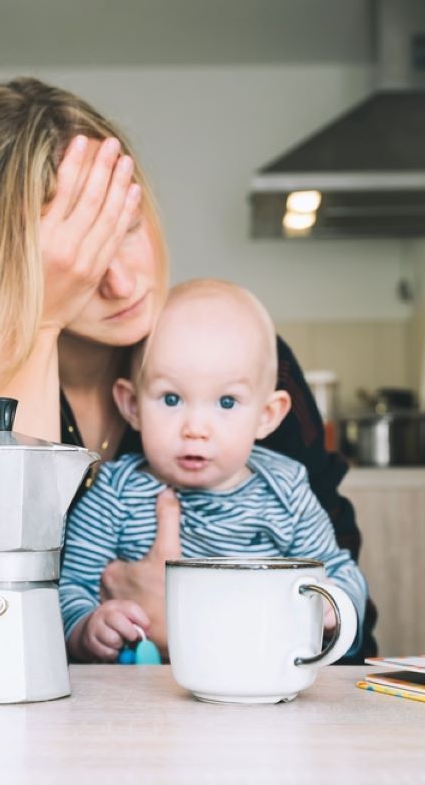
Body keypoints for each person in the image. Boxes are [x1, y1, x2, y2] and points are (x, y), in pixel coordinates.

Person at [0, 77, 377, 660]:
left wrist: (190, 611)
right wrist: (37, 328)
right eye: (74, 261)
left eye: (127, 229)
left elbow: (351, 620)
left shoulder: (234, 362)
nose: (121, 283)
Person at [60, 279, 368, 663]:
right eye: (171, 398)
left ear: (267, 416)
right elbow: (70, 587)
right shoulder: (114, 493)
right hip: (147, 701)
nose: (196, 427)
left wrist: (333, 609)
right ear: (131, 405)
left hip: (263, 683)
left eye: (226, 401)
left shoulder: (285, 490)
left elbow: (339, 571)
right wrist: (88, 627)